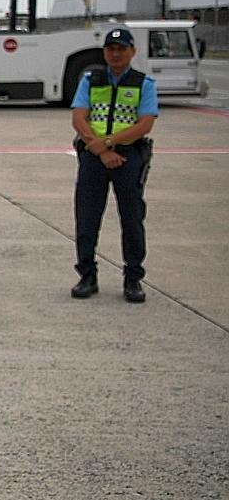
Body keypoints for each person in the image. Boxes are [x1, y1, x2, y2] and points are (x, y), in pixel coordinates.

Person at [70, 27, 158, 303]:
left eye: (122, 49)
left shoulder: (144, 84)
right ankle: (87, 274)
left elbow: (144, 124)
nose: (116, 54)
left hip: (128, 157)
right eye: (111, 49)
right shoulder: (90, 80)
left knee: (132, 219)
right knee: (86, 218)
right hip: (93, 157)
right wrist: (98, 147)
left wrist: (106, 143)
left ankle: (133, 278)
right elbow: (79, 117)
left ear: (133, 52)